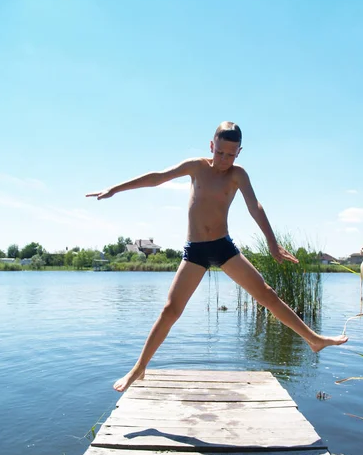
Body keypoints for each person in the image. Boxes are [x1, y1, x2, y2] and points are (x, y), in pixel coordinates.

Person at [86, 121, 348, 392]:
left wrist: (272, 243)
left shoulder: (238, 175)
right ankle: (139, 368)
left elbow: (255, 207)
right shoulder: (196, 167)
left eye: (231, 154)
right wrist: (115, 188)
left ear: (239, 153)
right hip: (196, 250)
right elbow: (157, 177)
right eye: (220, 152)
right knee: (170, 309)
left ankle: (313, 339)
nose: (224, 160)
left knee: (267, 294)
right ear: (211, 146)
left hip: (223, 248)